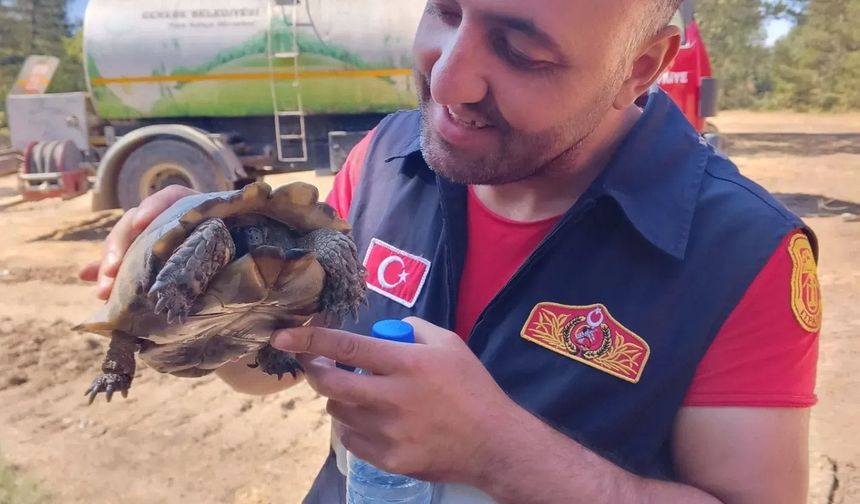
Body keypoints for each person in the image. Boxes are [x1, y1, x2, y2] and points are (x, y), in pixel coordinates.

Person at [80, 1, 821, 502]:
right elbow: (278, 370)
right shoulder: (382, 160)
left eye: (523, 50)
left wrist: (501, 450)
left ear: (641, 68)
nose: (448, 76)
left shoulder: (744, 254)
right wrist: (208, 300)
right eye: (444, 11)